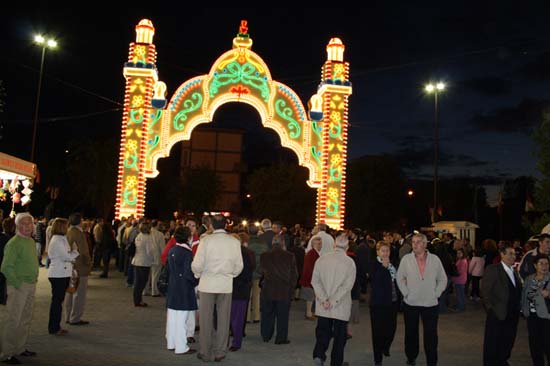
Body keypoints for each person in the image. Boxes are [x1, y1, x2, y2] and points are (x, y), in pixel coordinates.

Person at [191, 214, 243, 362]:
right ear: (226, 225)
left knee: (206, 320)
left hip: (207, 283)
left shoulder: (206, 241)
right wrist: (230, 274)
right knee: (223, 319)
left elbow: (197, 264)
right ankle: (220, 351)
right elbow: (239, 266)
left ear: (211, 225)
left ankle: (205, 352)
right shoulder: (234, 242)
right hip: (225, 284)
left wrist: (197, 274)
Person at [396, 233, 447, 366]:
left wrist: (436, 293)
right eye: (413, 242)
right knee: (411, 333)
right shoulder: (406, 259)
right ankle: (411, 357)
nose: (415, 244)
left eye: (418, 242)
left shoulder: (435, 259)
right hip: (411, 303)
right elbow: (399, 277)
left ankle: (431, 360)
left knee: (431, 335)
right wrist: (406, 293)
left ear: (425, 244)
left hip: (430, 303)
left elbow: (443, 278)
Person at [311, 234, 356, 366]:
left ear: (334, 245)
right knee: (340, 336)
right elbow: (347, 286)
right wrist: (333, 300)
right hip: (340, 305)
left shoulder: (321, 259)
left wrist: (324, 299)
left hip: (323, 305)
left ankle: (319, 355)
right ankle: (336, 362)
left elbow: (315, 282)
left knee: (322, 332)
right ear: (347, 246)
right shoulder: (349, 262)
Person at [0, 213, 39, 364]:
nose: (28, 226)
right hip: (19, 286)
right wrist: (17, 284)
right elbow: (5, 267)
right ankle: (8, 353)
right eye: (24, 223)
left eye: (30, 223)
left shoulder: (29, 240)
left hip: (31, 285)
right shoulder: (14, 243)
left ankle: (20, 348)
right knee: (13, 320)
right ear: (17, 226)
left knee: (25, 318)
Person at [482, 242, 522, 366]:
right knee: (493, 342)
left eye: (514, 254)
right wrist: (491, 309)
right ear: (502, 254)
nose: (513, 257)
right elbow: (485, 292)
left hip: (512, 314)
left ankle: (502, 360)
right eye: (509, 254)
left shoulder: (514, 271)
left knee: (508, 340)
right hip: (497, 313)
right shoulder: (493, 269)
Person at [165, 226, 198, 355]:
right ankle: (181, 346)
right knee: (182, 319)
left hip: (173, 287)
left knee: (172, 317)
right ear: (187, 237)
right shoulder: (187, 253)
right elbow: (188, 274)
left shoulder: (172, 250)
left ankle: (171, 342)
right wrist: (196, 280)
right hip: (184, 289)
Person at [259, 235, 298, 345]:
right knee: (283, 316)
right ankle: (281, 338)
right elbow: (294, 275)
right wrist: (292, 289)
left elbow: (261, 271)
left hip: (268, 289)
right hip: (283, 290)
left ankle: (266, 335)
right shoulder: (290, 256)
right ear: (282, 243)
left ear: (272, 243)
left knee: (267, 314)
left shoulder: (264, 256)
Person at [47, 218, 79, 336]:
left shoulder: (60, 239)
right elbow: (67, 257)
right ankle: (54, 327)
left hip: (62, 273)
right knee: (57, 302)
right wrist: (76, 251)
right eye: (66, 226)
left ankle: (56, 326)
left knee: (58, 301)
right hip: (58, 274)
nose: (68, 228)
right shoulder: (57, 240)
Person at [369, 241, 399, 366]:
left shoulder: (393, 265)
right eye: (383, 251)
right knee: (377, 332)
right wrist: (384, 268)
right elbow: (375, 281)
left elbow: (396, 281)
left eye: (387, 251)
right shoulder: (374, 265)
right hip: (378, 304)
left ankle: (386, 346)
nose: (385, 253)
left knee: (391, 329)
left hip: (392, 302)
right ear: (377, 252)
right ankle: (378, 358)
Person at [521, 253, 550, 366]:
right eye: (541, 263)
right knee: (534, 344)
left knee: (547, 345)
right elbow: (524, 295)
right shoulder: (529, 279)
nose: (544, 266)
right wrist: (524, 310)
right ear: (535, 265)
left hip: (547, 317)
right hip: (532, 317)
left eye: (546, 264)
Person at [229, 231, 255, 352]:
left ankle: (236, 341)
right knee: (237, 317)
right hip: (240, 289)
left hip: (237, 289)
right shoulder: (247, 252)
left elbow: (245, 273)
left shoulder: (243, 253)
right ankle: (236, 339)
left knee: (236, 317)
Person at [64, 213, 92, 325]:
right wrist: (88, 264)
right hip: (80, 266)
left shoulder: (68, 232)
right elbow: (84, 251)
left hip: (70, 265)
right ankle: (75, 317)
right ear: (80, 221)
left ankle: (68, 315)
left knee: (70, 291)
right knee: (79, 294)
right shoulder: (79, 234)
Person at [246, 223, 268, 324]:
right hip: (258, 272)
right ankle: (256, 316)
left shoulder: (247, 243)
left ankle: (246, 317)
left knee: (247, 296)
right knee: (256, 295)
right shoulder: (263, 244)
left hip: (248, 273)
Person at [132, 221, 154, 307]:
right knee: (142, 282)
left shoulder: (138, 236)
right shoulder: (147, 238)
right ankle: (139, 300)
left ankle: (136, 299)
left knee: (137, 282)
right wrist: (153, 257)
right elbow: (149, 251)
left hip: (137, 260)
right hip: (144, 262)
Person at [301, 236, 322, 320]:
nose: (321, 245)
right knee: (310, 298)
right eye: (319, 244)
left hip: (309, 278)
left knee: (311, 297)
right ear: (314, 244)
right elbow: (309, 268)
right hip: (309, 279)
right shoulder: (312, 253)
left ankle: (309, 313)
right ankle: (308, 314)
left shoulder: (312, 253)